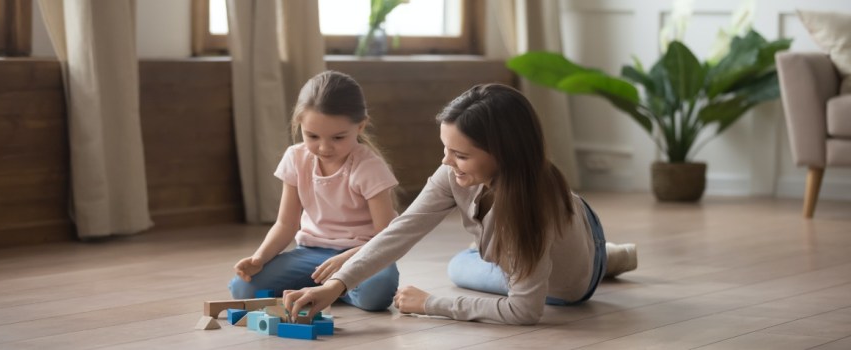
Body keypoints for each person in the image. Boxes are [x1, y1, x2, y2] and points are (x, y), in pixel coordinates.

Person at [283, 83, 637, 325]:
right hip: (540, 240)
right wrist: (335, 286)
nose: (446, 161)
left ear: (504, 153)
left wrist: (429, 304)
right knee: (458, 266)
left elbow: (524, 310)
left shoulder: (534, 209)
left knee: (481, 264)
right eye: (445, 148)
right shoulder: (452, 174)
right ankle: (577, 253)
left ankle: (606, 258)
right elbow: (402, 230)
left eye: (460, 154)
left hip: (572, 281)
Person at [228, 71, 400, 312]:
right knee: (243, 289)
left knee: (376, 295)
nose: (324, 147)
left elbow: (387, 236)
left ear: (360, 126)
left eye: (338, 137)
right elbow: (286, 224)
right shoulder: (296, 158)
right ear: (299, 124)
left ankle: (330, 289)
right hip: (311, 253)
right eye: (312, 136)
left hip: (364, 254)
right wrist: (260, 258)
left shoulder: (369, 167)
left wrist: (346, 260)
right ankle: (331, 289)